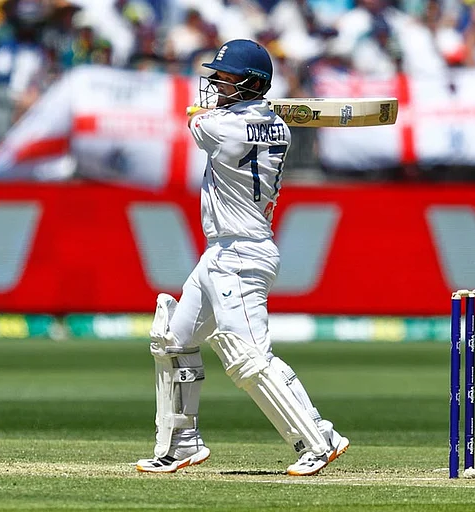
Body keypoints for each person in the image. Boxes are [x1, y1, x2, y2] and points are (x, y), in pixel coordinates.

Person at [135, 39, 349, 477]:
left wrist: (224, 111)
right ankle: (181, 444)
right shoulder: (279, 127)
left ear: (251, 82)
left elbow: (195, 120)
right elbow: (235, 118)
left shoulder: (222, 128)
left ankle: (319, 437)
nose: (215, 83)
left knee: (248, 356)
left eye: (226, 77)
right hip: (219, 253)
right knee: (173, 341)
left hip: (243, 254)